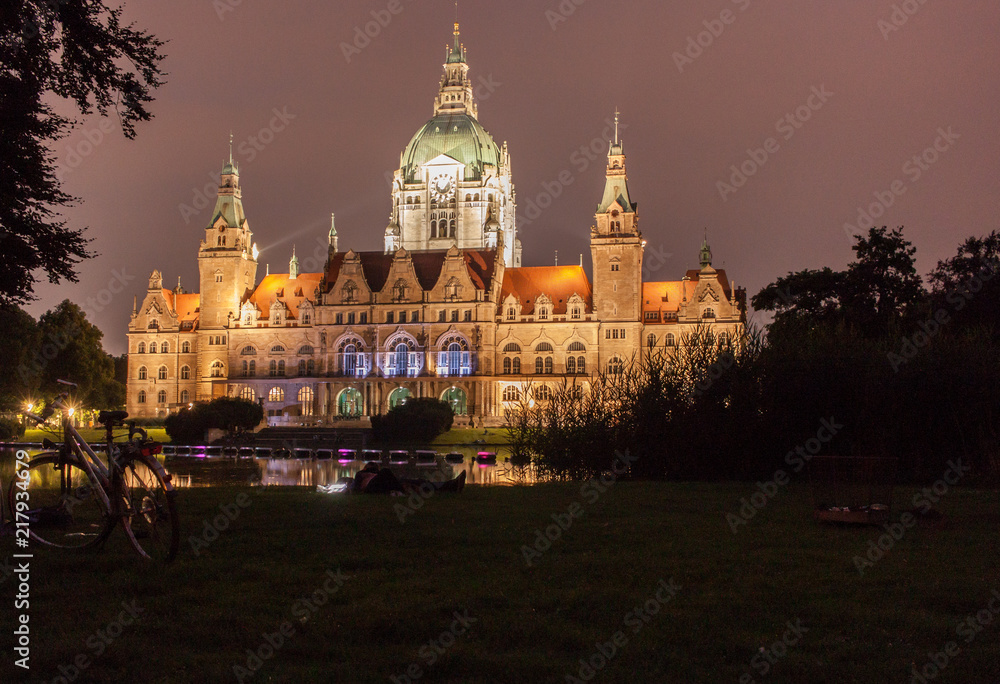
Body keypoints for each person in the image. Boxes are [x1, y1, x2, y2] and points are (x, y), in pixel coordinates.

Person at [350, 462, 466, 495]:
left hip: (385, 484)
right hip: (371, 487)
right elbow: (355, 487)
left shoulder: (377, 474)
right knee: (387, 472)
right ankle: (404, 489)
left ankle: (450, 485)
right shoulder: (361, 474)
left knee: (420, 481)